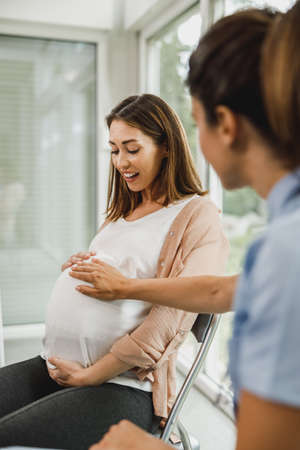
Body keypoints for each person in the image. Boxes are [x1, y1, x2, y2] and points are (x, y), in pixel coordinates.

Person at [71, 4, 300, 450]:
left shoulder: (283, 254)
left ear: (226, 126)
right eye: (113, 151)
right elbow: (218, 291)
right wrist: (122, 287)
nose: (121, 163)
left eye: (196, 122)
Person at [0, 94, 229, 449]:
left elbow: (168, 321)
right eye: (114, 149)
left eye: (132, 149)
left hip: (122, 386)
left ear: (166, 146)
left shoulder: (197, 215)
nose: (121, 161)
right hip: (57, 366)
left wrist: (91, 376)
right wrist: (82, 268)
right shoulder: (124, 209)